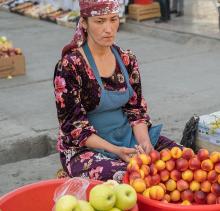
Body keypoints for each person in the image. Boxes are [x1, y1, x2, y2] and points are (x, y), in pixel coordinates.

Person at [53, 0, 181, 182]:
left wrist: (145, 143)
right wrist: (115, 151)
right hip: (86, 148)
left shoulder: (127, 59)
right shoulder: (70, 66)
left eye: (113, 20)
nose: (109, 29)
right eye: (100, 21)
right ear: (84, 23)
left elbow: (135, 109)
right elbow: (73, 126)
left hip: (128, 138)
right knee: (132, 177)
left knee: (182, 158)